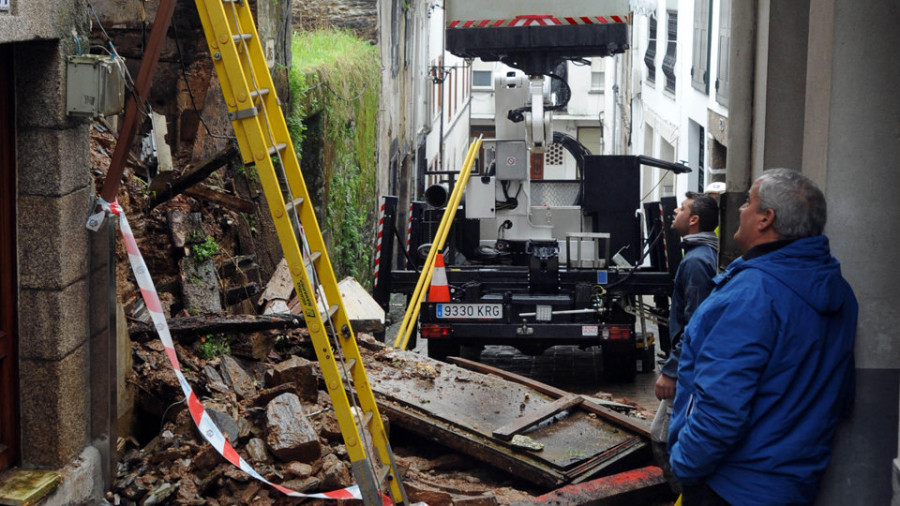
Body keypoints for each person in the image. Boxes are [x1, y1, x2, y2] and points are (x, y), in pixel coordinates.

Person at [668, 169, 858, 505]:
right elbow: (840, 395)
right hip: (793, 484)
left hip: (729, 486)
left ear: (766, 219)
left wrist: (683, 466)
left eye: (747, 203)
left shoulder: (752, 294)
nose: (739, 209)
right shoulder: (840, 292)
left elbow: (720, 409)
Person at [651, 191, 719, 490]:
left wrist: (671, 371)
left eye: (680, 209)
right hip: (690, 365)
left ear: (694, 220)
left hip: (687, 368)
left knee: (662, 437)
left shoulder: (694, 262)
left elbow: (695, 324)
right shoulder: (702, 256)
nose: (673, 212)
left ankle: (682, 493)